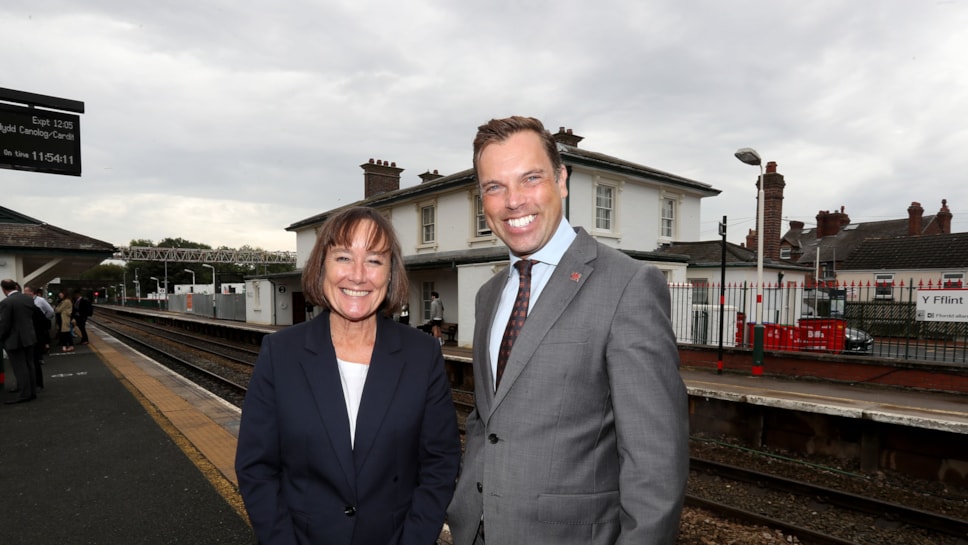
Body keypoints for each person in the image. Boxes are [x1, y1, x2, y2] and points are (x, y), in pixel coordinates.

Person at [446, 116, 689, 545]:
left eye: (530, 178)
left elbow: (654, 461)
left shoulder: (628, 285)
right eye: (494, 187)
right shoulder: (489, 295)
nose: (513, 201)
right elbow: (489, 420)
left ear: (561, 179)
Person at [235, 206, 461, 545]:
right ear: (321, 266)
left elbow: (440, 464)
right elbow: (257, 469)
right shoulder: (280, 354)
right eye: (343, 257)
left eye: (374, 260)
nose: (358, 275)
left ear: (390, 273)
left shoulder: (421, 355)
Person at [1, 279, 39, 403]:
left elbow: (4, 325)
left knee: (20, 367)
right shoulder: (28, 299)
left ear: (4, 289)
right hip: (29, 337)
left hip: (14, 340)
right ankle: (32, 391)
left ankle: (24, 394)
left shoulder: (6, 302)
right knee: (29, 365)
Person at [22, 285, 53, 390]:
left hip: (36, 335)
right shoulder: (29, 305)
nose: (25, 294)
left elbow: (50, 312)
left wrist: (43, 325)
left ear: (32, 293)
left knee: (34, 359)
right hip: (33, 335)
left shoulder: (38, 303)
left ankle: (37, 383)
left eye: (26, 292)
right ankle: (34, 383)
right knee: (33, 360)